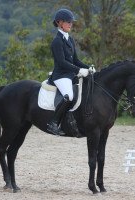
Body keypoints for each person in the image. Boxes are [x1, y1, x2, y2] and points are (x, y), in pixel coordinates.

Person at [47, 8, 95, 136]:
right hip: (60, 75)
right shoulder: (57, 41)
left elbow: (75, 60)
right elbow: (62, 62)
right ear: (59, 23)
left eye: (71, 22)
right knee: (69, 96)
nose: (70, 24)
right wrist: (79, 70)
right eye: (68, 22)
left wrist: (88, 68)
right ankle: (53, 123)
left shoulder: (70, 39)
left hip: (70, 74)